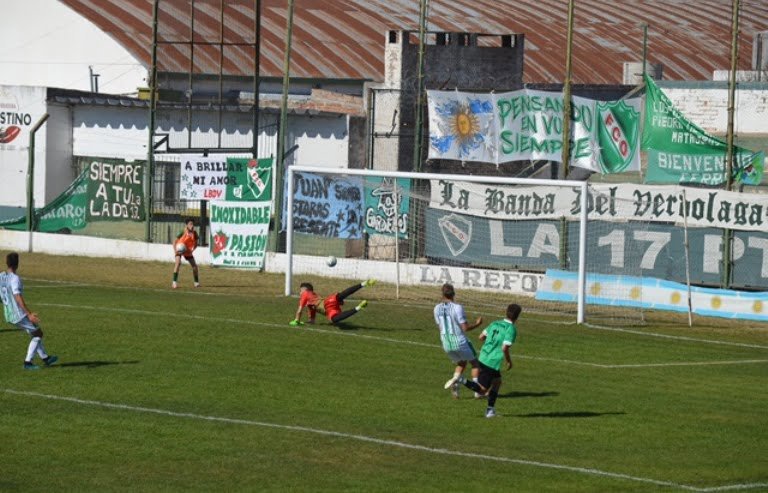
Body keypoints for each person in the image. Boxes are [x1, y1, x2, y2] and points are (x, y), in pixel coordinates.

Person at [444, 303, 520, 418]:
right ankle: (461, 379)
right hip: (492, 361)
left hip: (483, 356)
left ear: (506, 312)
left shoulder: (495, 323)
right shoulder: (511, 329)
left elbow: (481, 337)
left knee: (497, 382)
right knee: (482, 391)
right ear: (517, 316)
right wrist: (509, 361)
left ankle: (490, 411)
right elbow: (505, 348)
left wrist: (491, 343)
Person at [0, 252, 58, 370]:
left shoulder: (1, 276)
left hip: (8, 314)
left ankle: (46, 358)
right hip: (18, 314)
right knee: (38, 333)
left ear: (7, 263)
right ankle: (28, 362)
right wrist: (29, 314)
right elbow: (17, 296)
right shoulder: (15, 278)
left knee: (33, 332)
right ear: (17, 264)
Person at [434, 283, 483, 399]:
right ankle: (477, 392)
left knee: (461, 363)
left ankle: (455, 389)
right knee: (475, 364)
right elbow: (465, 328)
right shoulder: (457, 307)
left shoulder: (436, 308)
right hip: (459, 341)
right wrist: (477, 324)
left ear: (442, 294)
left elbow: (440, 327)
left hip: (446, 342)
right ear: (454, 293)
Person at [290, 279, 376, 326]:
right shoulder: (310, 301)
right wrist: (311, 321)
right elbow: (312, 311)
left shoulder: (305, 294)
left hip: (326, 303)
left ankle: (364, 284)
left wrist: (296, 320)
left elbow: (299, 310)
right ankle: (359, 307)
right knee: (334, 319)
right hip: (329, 310)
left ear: (305, 290)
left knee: (341, 295)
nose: (300, 292)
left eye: (300, 290)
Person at [172, 218, 200, 289]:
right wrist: (175, 251)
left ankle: (196, 282)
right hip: (179, 249)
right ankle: (174, 283)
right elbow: (174, 241)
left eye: (193, 224)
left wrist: (192, 250)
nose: (192, 225)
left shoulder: (195, 233)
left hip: (187, 250)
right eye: (190, 224)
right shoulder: (183, 231)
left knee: (194, 266)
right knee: (178, 263)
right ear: (187, 225)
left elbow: (196, 244)